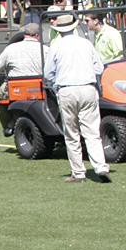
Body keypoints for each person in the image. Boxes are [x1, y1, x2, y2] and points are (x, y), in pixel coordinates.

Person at [44, 13, 110, 183]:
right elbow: (99, 68)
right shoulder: (86, 43)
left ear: (58, 30)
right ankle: (101, 166)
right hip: (88, 87)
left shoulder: (56, 46)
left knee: (72, 133)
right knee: (92, 132)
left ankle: (78, 172)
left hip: (67, 89)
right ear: (74, 27)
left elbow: (48, 73)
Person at [0, 22, 46, 137]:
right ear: (37, 35)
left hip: (15, 88)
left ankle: (8, 125)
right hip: (40, 88)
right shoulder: (45, 49)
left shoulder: (11, 49)